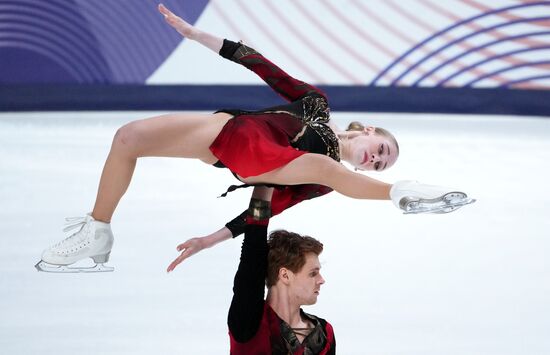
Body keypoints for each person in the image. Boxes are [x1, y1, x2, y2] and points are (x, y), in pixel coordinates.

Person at [35, 4, 474, 273]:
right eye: (382, 151)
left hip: (270, 161)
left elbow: (266, 207)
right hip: (231, 132)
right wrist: (197, 36)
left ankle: (401, 192)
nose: (375, 157)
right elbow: (262, 65)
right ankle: (99, 229)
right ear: (369, 130)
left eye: (377, 165)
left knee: (322, 168)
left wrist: (213, 238)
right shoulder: (318, 105)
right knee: (128, 137)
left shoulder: (327, 177)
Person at [228, 187, 335, 353]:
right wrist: (266, 180)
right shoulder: (249, 321)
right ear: (285, 275)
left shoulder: (324, 333)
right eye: (313, 273)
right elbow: (253, 246)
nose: (322, 280)